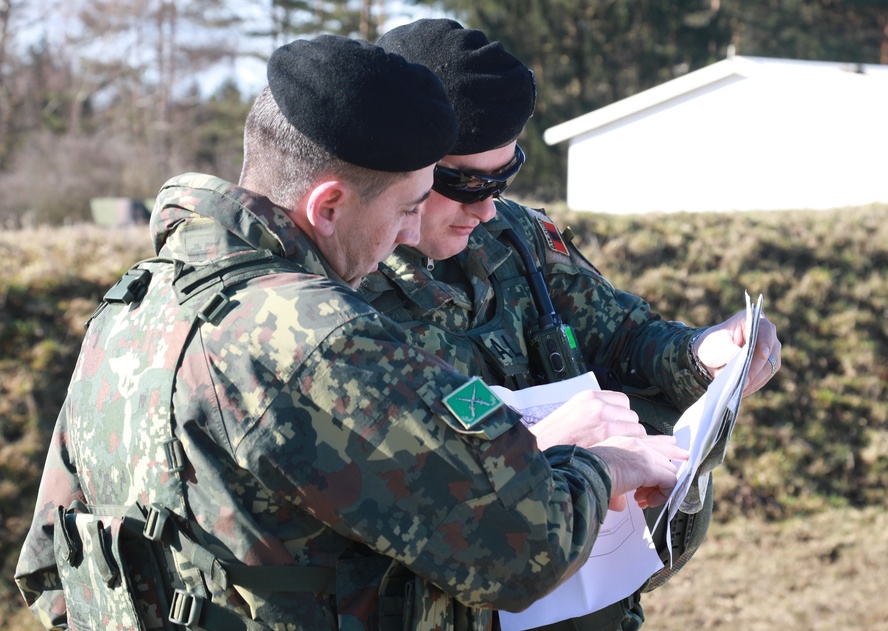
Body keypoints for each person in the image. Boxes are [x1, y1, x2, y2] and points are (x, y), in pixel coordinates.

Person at [14, 35, 689, 631]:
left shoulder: (132, 305)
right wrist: (608, 464)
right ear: (329, 205)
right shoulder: (323, 339)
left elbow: (52, 569)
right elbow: (528, 543)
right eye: (406, 209)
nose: (406, 236)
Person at [364, 19, 784, 631]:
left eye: (503, 179)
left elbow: (621, 335)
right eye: (461, 184)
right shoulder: (341, 281)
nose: (485, 208)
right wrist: (529, 438)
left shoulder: (517, 235)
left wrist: (704, 353)